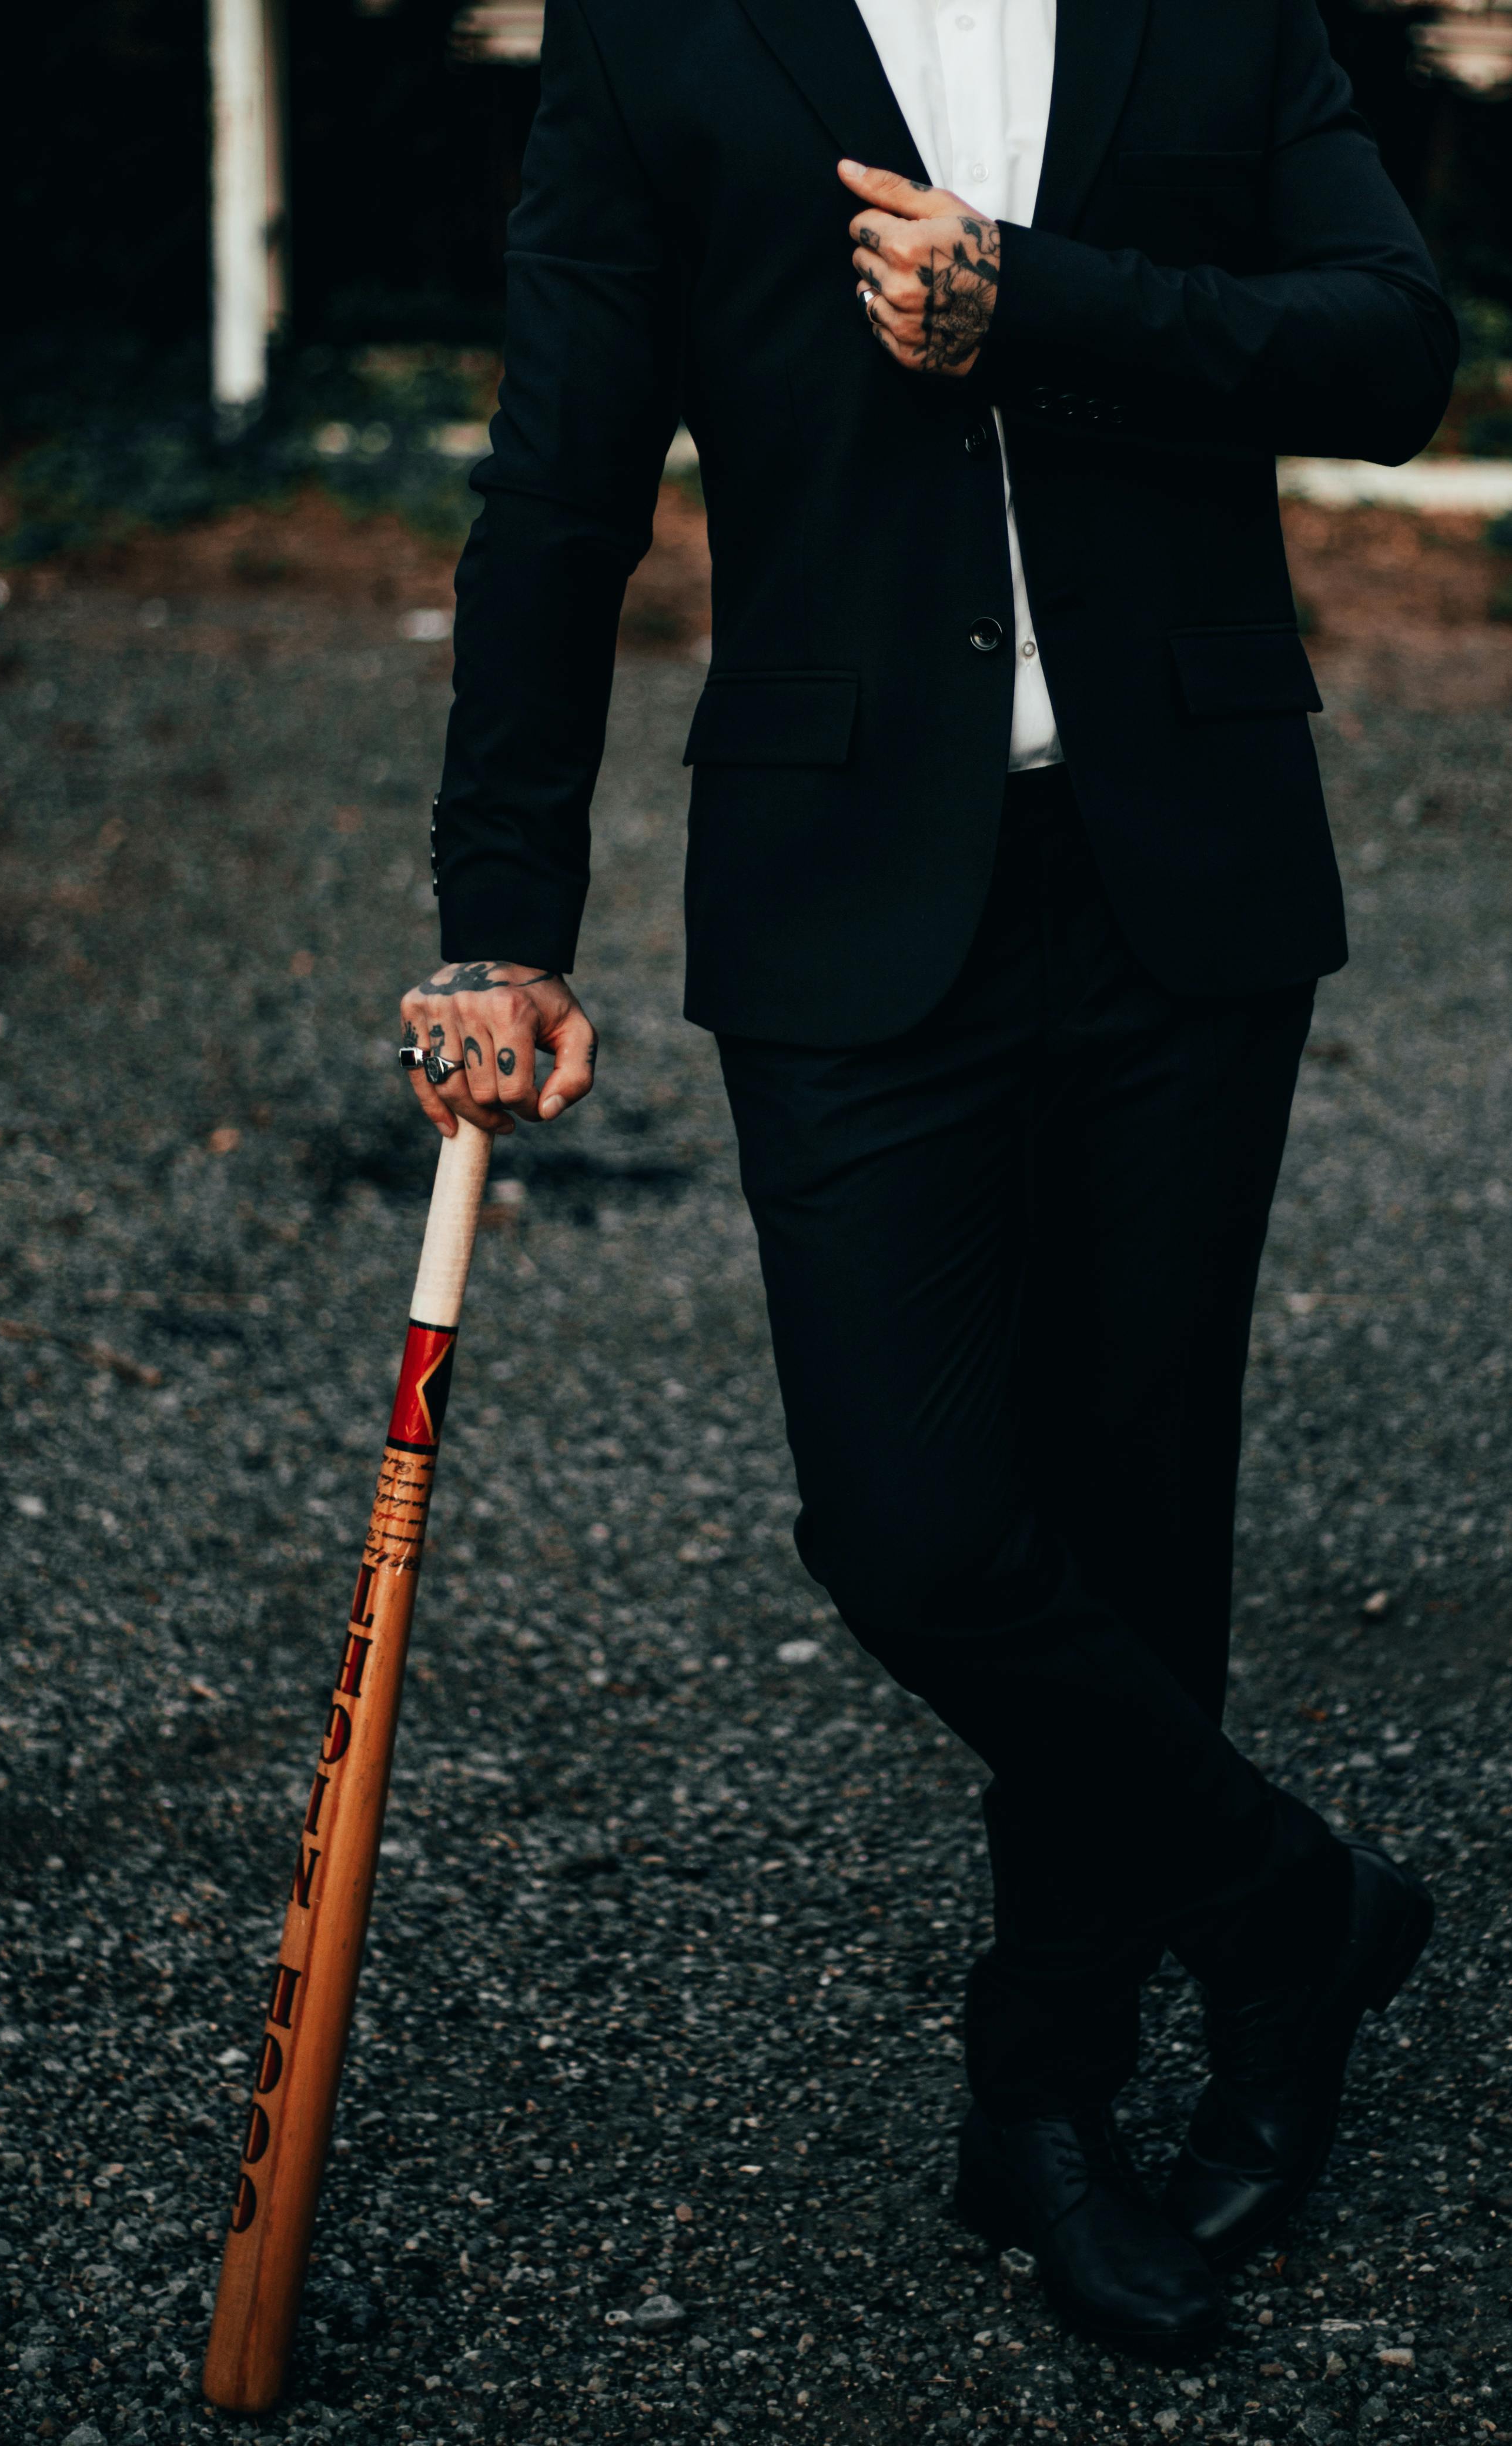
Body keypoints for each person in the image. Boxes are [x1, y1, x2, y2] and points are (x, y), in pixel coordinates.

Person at [397, 0, 1454, 2358]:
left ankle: (1048, 2093)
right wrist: (502, 906)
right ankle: (1296, 1913)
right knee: (909, 1522)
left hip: (1179, 868)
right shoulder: (662, 36)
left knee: (1137, 1506)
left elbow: (1396, 352)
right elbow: (558, 479)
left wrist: (1039, 296)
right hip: (842, 883)